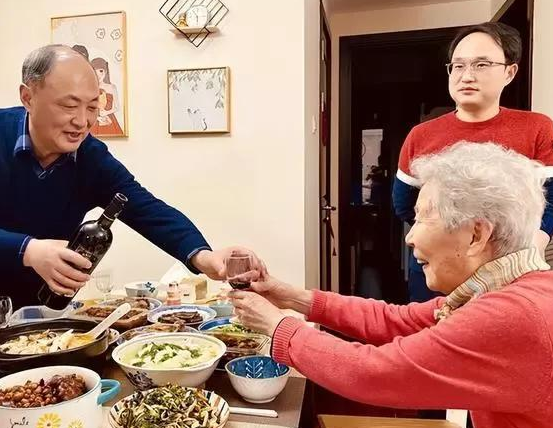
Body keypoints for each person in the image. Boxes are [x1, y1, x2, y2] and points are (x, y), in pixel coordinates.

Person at [0, 45, 264, 353]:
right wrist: (30, 250)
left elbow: (144, 207)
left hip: (43, 319)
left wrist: (204, 257)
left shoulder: (89, 155)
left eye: (93, 106)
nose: (82, 121)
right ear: (28, 96)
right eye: (69, 105)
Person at [232, 142, 553, 428]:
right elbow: (397, 320)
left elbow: (371, 373)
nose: (410, 237)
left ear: (476, 235)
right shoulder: (505, 290)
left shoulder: (513, 316)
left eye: (422, 218)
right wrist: (292, 297)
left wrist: (276, 325)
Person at [392, 22, 553, 302]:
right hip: (439, 267)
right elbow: (404, 203)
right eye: (458, 66)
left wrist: (534, 241)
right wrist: (449, 236)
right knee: (431, 325)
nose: (467, 76)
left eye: (481, 65)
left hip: (512, 267)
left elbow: (552, 199)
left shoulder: (537, 128)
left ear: (509, 72)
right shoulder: (421, 135)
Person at [90, 57, 123, 136]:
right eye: (95, 72)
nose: (99, 75)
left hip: (109, 120)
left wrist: (106, 113)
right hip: (94, 121)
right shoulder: (89, 88)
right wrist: (97, 117)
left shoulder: (112, 87)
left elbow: (117, 107)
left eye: (101, 71)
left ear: (105, 71)